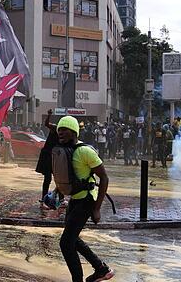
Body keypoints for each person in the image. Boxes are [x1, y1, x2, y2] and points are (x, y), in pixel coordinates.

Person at [55, 116, 114, 282]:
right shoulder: (65, 152)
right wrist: (58, 193)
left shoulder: (84, 151)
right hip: (74, 200)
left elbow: (104, 177)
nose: (60, 132)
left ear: (74, 132)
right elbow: (67, 177)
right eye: (59, 130)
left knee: (66, 244)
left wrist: (96, 208)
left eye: (64, 129)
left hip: (87, 201)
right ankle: (101, 269)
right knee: (72, 240)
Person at [36, 109, 59, 207]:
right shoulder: (55, 128)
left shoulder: (66, 134)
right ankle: (43, 199)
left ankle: (61, 199)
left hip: (55, 157)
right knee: (47, 178)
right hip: (47, 156)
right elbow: (46, 124)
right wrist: (49, 115)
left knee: (59, 179)